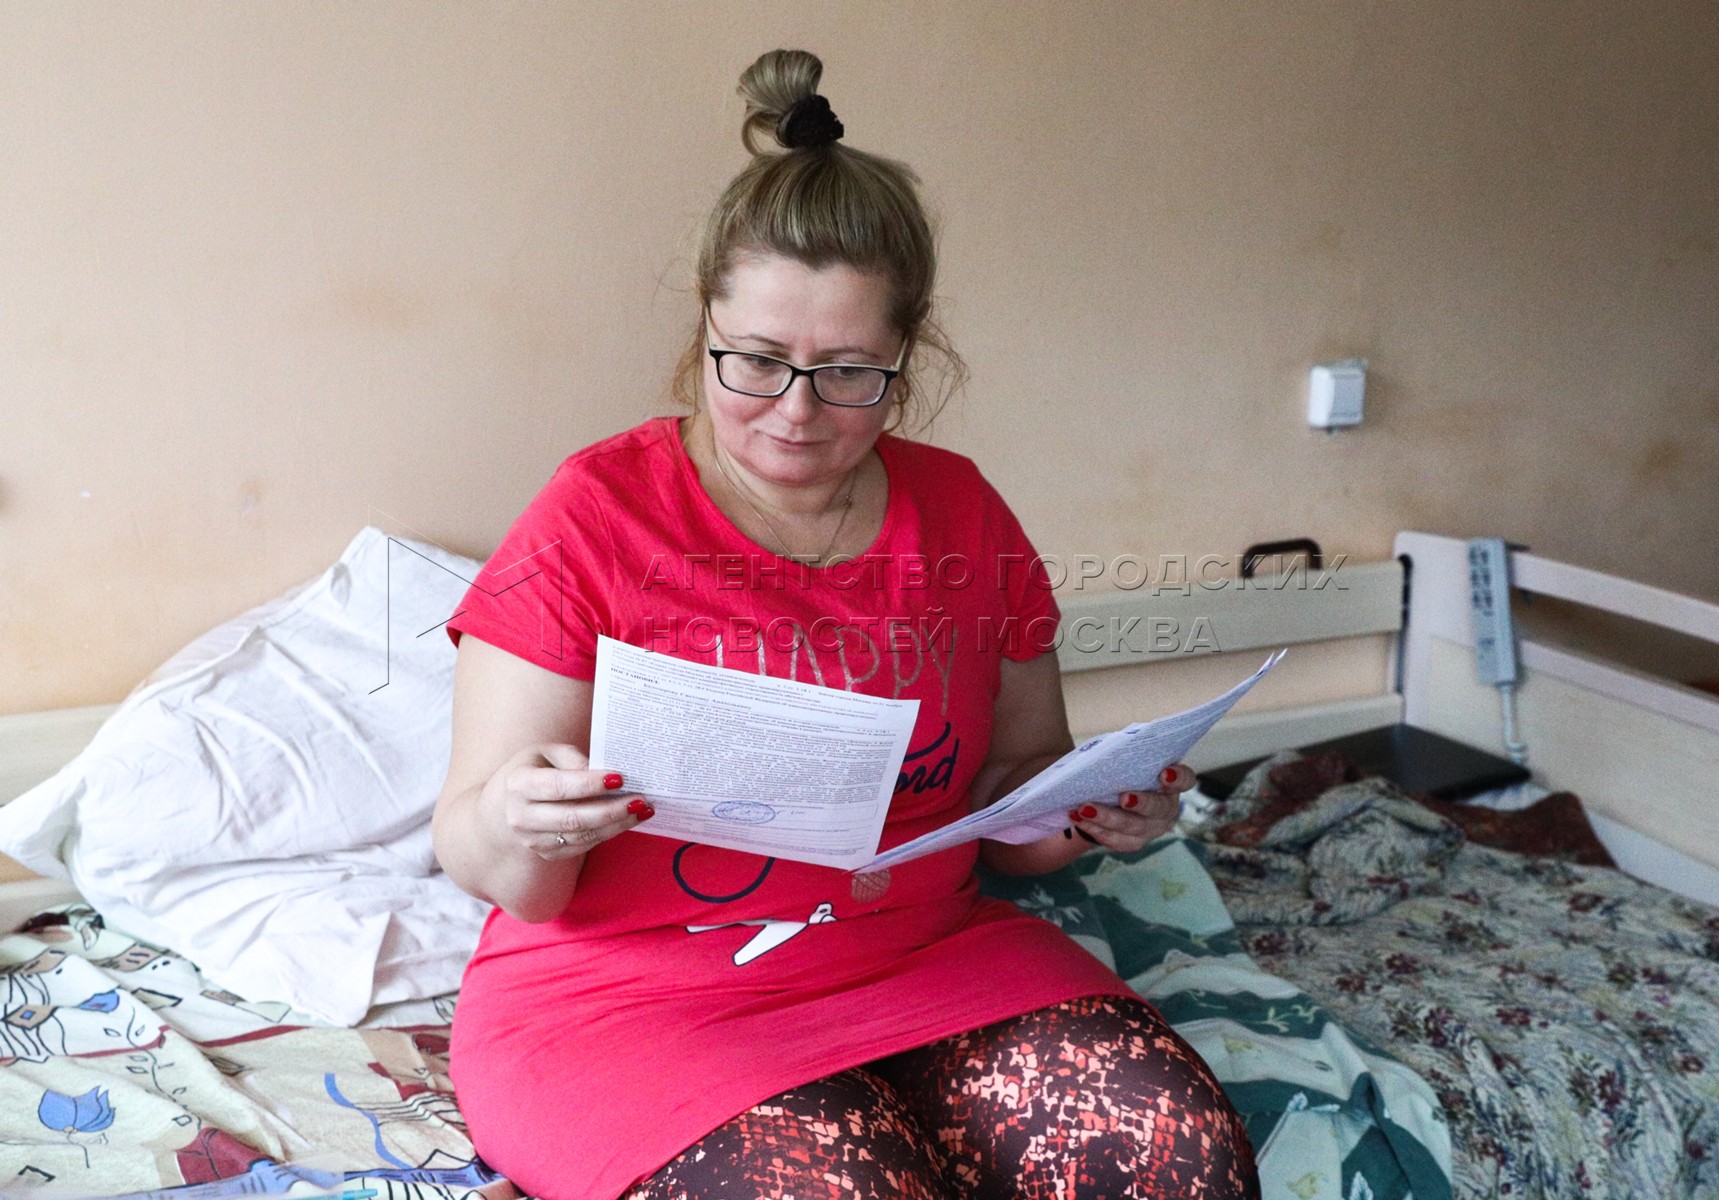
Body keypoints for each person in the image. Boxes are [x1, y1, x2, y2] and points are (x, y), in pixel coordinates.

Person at [432, 49, 1260, 1200]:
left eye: (847, 372)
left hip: (926, 956)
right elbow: (488, 861)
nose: (795, 412)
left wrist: (1090, 809)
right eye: (757, 363)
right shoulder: (595, 516)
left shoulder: (964, 513)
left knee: (1176, 1151)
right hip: (633, 998)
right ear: (705, 329)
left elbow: (1012, 803)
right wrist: (521, 820)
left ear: (905, 361)